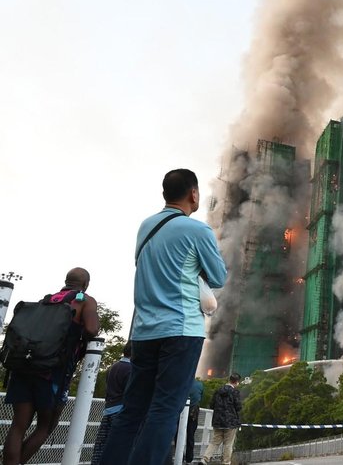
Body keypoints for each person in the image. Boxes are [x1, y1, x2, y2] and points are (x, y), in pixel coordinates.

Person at [100, 169, 228, 465]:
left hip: (144, 332)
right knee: (165, 409)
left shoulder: (146, 226)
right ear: (194, 194)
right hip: (181, 331)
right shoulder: (197, 230)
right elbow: (219, 276)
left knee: (132, 410)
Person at [3, 267, 99, 465]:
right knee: (46, 426)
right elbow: (92, 329)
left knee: (18, 425)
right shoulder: (85, 300)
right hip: (52, 373)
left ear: (66, 280)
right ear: (86, 284)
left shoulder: (47, 300)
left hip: (24, 366)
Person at [91, 342, 133, 465]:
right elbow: (130, 394)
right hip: (121, 412)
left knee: (102, 445)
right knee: (119, 446)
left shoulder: (113, 367)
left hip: (108, 409)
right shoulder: (131, 370)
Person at [201, 373, 242, 465]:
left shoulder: (218, 391)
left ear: (229, 380)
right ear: (237, 382)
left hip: (217, 421)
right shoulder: (235, 392)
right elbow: (238, 407)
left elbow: (212, 405)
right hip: (231, 422)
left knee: (215, 441)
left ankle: (205, 459)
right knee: (228, 444)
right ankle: (226, 462)